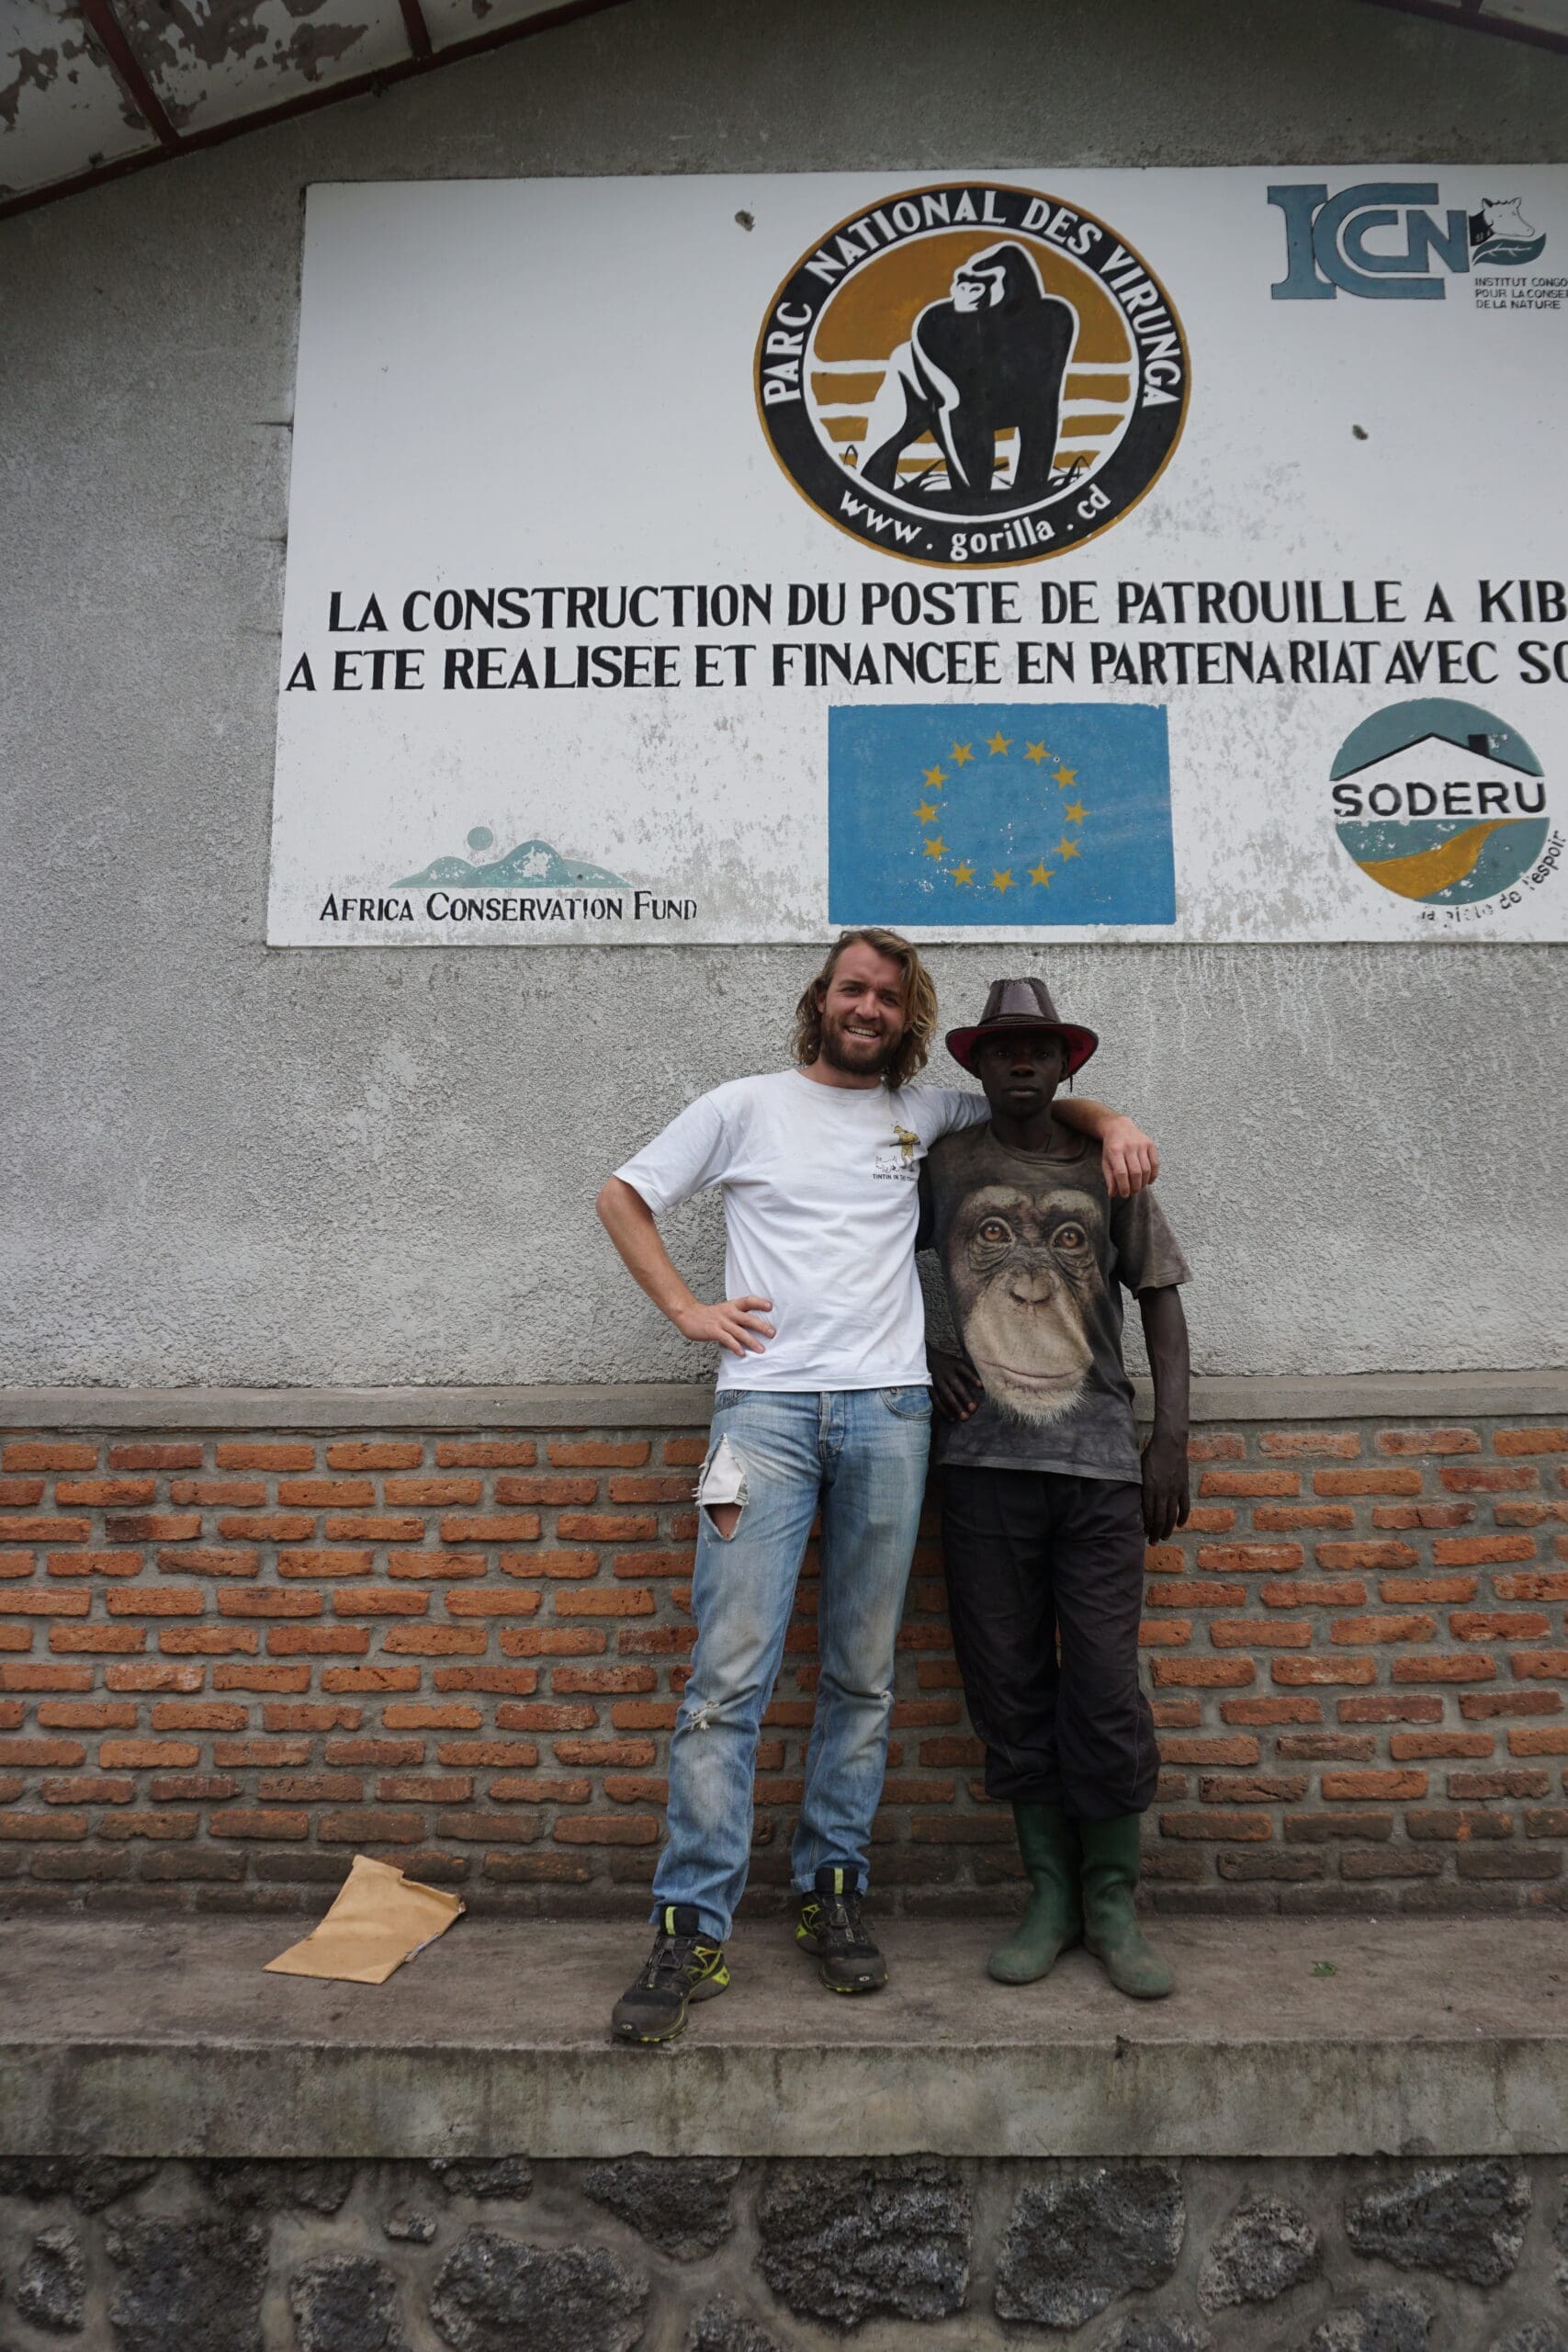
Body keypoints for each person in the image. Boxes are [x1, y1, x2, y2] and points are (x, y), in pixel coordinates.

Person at [594, 929, 1160, 2046]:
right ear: (822, 999)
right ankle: (689, 1925)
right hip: (763, 1418)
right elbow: (623, 1196)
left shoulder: (930, 1115)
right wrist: (688, 1312)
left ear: (907, 1018)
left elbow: (1041, 1105)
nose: (869, 1008)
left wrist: (1116, 1118)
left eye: (889, 998)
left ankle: (831, 1893)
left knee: (861, 1679)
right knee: (726, 1680)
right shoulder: (744, 1105)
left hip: (895, 1416)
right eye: (853, 988)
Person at [921, 977, 1191, 2000]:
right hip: (981, 1468)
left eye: (1040, 1048)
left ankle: (1114, 1901)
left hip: (1097, 1470)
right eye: (1004, 1048)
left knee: (1106, 1687)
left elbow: (1160, 1298)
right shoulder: (945, 1164)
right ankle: (1050, 1897)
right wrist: (924, 1344)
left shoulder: (1108, 1164)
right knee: (1008, 1685)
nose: (1023, 1062)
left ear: (1065, 1064)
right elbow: (878, 1263)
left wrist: (1167, 1438)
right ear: (977, 1066)